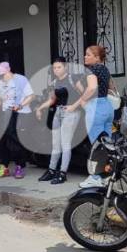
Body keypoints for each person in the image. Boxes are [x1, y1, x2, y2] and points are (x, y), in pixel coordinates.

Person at [65, 45, 116, 188]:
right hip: (107, 107)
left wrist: (77, 104)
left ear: (97, 58)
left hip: (95, 108)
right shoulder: (105, 70)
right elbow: (111, 87)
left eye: (88, 54)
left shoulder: (91, 70)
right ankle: (106, 175)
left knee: (96, 146)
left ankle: (95, 177)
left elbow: (92, 88)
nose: (85, 56)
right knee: (107, 144)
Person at [35, 57, 85, 185]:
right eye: (55, 68)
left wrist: (74, 106)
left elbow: (84, 95)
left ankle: (62, 173)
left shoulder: (73, 79)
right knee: (55, 144)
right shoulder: (54, 82)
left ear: (65, 67)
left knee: (65, 144)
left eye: (59, 67)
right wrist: (40, 108)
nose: (56, 70)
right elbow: (52, 100)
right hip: (58, 112)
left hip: (71, 112)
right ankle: (51, 170)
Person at [0, 62, 34, 179]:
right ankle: (4, 167)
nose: (1, 77)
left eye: (2, 74)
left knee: (16, 140)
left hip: (21, 113)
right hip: (6, 113)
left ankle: (20, 166)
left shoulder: (21, 80)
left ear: (8, 71)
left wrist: (20, 105)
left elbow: (31, 96)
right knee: (3, 140)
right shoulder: (0, 83)